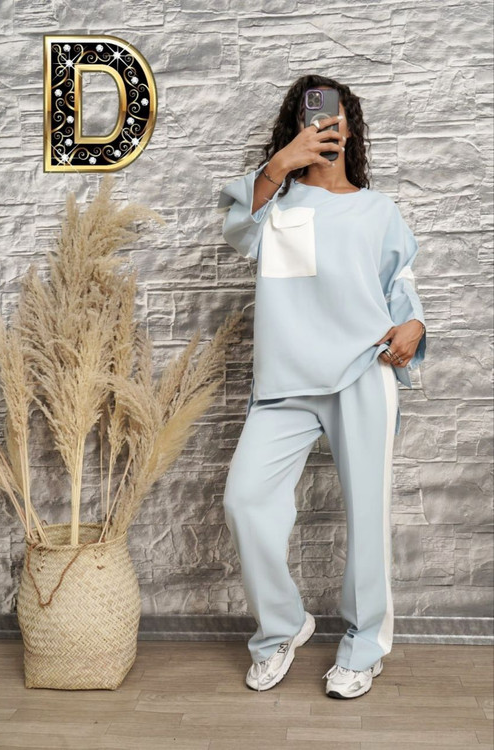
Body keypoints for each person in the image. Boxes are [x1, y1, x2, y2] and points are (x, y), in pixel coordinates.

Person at [216, 74, 427, 699]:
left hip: (363, 370)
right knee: (246, 500)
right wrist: (281, 164)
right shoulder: (274, 203)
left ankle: (364, 648)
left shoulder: (378, 210)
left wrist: (415, 324)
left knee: (368, 514)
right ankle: (282, 627)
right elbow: (238, 230)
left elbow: (400, 287)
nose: (325, 127)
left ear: (350, 129)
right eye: (312, 119)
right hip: (286, 382)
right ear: (296, 129)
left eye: (336, 118)